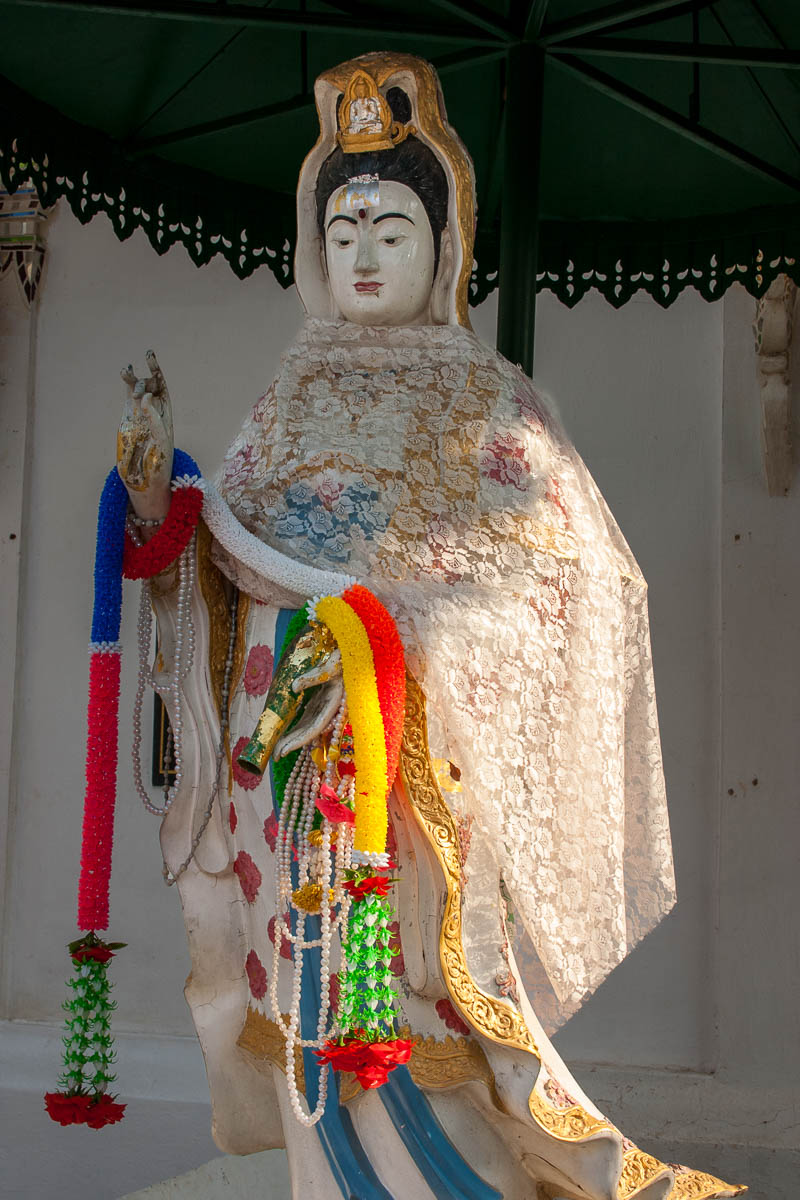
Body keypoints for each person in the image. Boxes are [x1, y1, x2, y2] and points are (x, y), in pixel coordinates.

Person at [117, 51, 744, 1200]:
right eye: (341, 230)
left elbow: (570, 587)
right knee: (306, 1026)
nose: (361, 254)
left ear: (444, 247)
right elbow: (226, 571)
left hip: (412, 788)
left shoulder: (496, 407)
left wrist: (400, 636)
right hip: (286, 783)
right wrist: (163, 517)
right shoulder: (283, 403)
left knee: (412, 1025)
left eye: (390, 229)